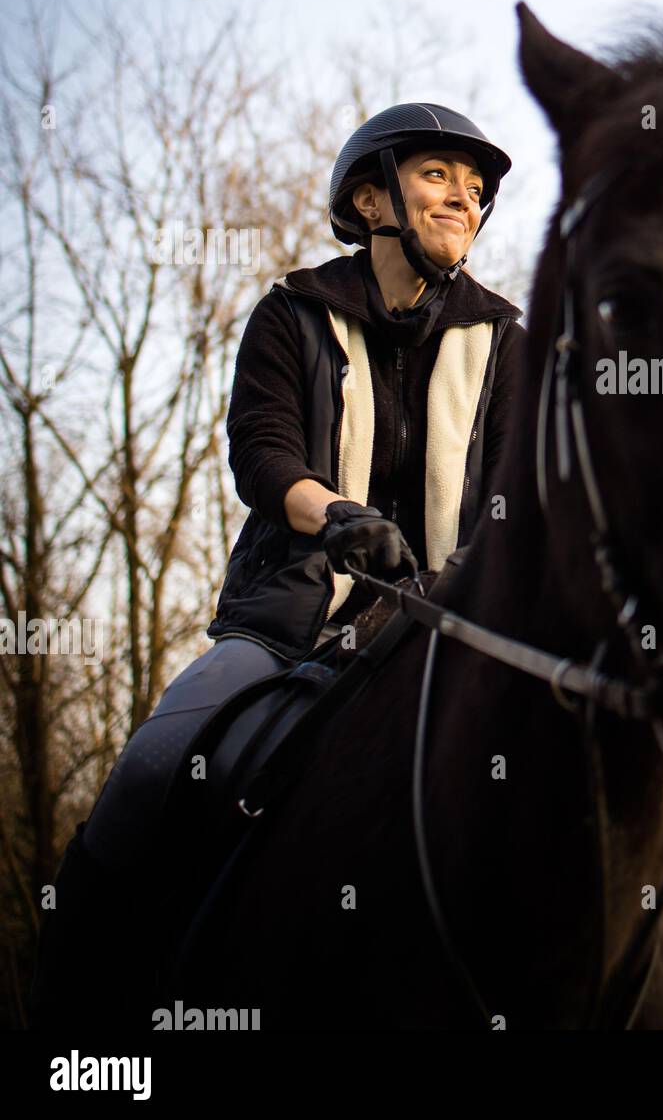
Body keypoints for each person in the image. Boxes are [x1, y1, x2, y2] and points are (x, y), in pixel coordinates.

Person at [29, 103, 525, 1026]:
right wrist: (336, 516)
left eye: (477, 186)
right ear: (371, 198)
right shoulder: (292, 313)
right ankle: (70, 1016)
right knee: (152, 765)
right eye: (437, 176)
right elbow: (263, 453)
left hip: (453, 630)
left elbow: (510, 498)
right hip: (289, 619)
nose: (465, 195)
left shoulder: (506, 341)